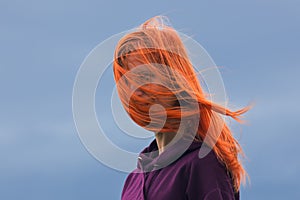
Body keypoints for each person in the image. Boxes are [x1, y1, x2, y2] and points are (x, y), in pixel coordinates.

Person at [113, 16, 252, 200]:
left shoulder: (203, 164)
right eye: (129, 82)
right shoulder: (134, 179)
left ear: (174, 79)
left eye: (145, 77)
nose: (136, 92)